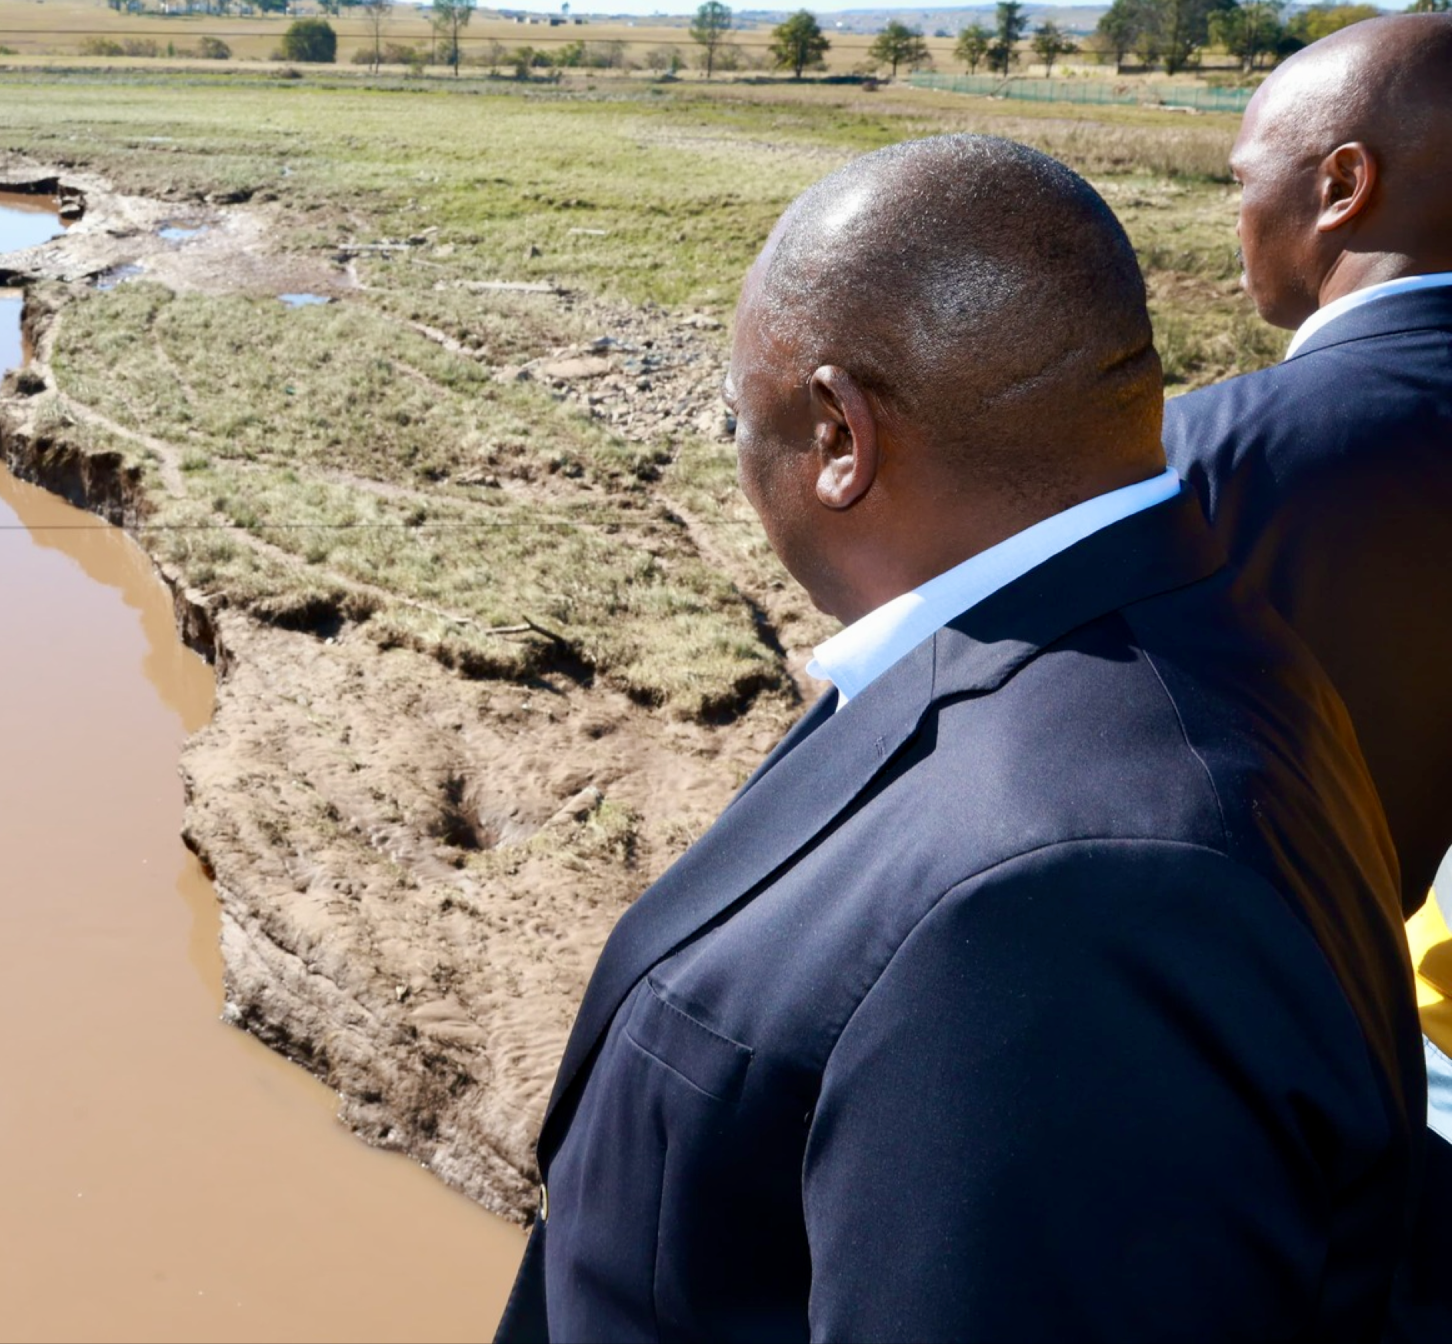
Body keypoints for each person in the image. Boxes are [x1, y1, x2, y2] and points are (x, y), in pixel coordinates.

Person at [501, 136, 1419, 1342]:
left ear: (840, 438)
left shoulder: (1076, 904)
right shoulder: (1144, 636)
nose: (735, 456)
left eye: (738, 417)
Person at [1161, 13, 1452, 1134]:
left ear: (1341, 186)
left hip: (1242, 1067)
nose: (1234, 215)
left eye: (1243, 180)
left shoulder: (1201, 455)